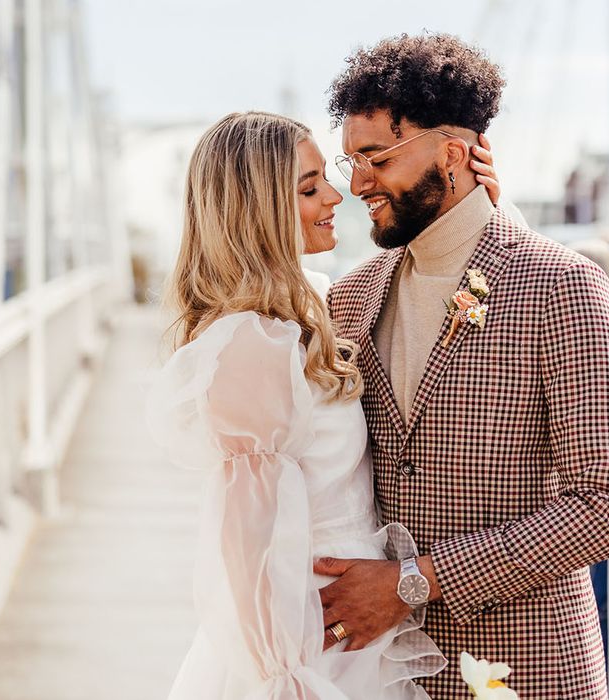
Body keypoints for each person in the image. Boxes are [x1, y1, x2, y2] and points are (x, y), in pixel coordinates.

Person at [316, 34, 609, 699]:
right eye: (349, 161)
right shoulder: (348, 297)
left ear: (454, 154)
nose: (356, 185)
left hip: (528, 672)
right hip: (375, 673)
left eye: (375, 157)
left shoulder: (562, 286)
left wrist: (418, 582)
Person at [146, 111, 501, 699]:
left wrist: (483, 211)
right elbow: (246, 542)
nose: (338, 194)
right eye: (310, 188)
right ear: (257, 209)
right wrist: (288, 678)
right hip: (312, 637)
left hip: (354, 621)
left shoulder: (310, 303)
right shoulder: (250, 344)